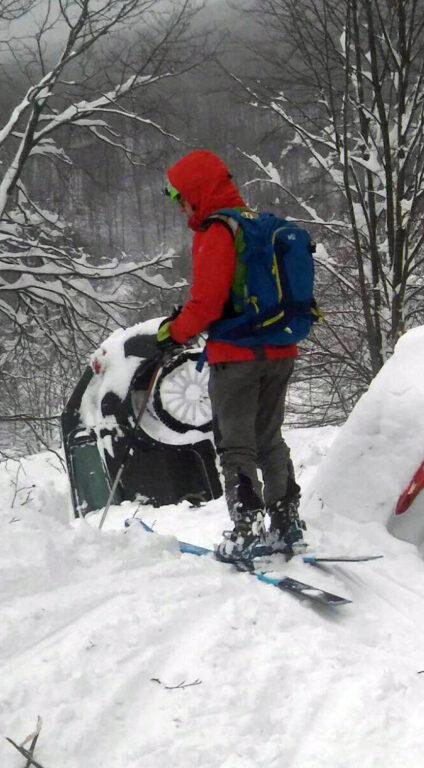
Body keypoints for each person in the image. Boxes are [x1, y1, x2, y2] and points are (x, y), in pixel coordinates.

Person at [156, 149, 307, 563]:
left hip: (236, 356)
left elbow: (206, 303)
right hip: (280, 350)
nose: (181, 207)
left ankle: (246, 531)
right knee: (269, 438)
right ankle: (286, 525)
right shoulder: (257, 225)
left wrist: (172, 333)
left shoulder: (217, 231)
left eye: (181, 198)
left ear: (197, 192)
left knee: (235, 445)